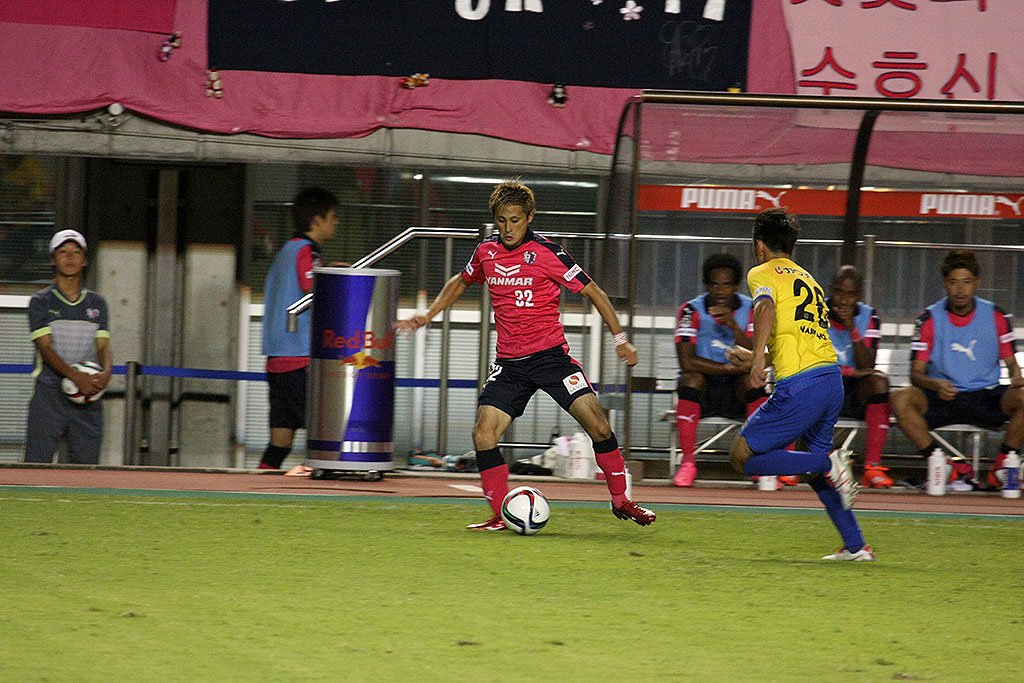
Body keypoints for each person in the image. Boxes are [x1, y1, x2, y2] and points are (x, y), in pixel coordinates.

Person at [396, 180, 655, 530]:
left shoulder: (548, 253)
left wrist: (621, 339)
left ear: (530, 217)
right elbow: (461, 280)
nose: (508, 228)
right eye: (501, 221)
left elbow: (594, 291)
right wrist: (428, 315)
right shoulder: (486, 252)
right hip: (510, 365)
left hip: (551, 358)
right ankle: (499, 516)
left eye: (515, 220)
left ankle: (621, 500)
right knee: (483, 434)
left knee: (598, 424)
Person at [727, 207, 871, 561]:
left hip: (801, 386)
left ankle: (829, 463)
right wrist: (762, 357)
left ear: (759, 245)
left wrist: (756, 359)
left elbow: (764, 309)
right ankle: (856, 546)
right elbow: (799, 339)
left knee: (741, 456)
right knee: (812, 466)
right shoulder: (809, 280)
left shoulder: (761, 272)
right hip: (830, 381)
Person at [890, 249, 1024, 491]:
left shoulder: (997, 316)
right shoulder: (929, 319)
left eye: (966, 282)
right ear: (945, 284)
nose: (960, 290)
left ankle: (1004, 465)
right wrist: (934, 384)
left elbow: (1012, 365)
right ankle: (941, 463)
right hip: (943, 397)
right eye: (954, 282)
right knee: (900, 398)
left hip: (985, 396)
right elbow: (915, 374)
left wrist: (1016, 377)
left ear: (977, 283)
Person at [672, 253, 784, 487]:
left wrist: (733, 326)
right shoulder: (690, 311)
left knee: (753, 381)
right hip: (705, 389)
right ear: (707, 285)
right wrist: (728, 368)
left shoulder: (751, 308)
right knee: (690, 379)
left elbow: (756, 353)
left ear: (736, 285)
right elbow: (686, 362)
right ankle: (688, 462)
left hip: (737, 392)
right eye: (715, 284)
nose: (721, 291)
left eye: (727, 284)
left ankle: (756, 461)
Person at [258, 187, 339, 470]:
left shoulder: (286, 250)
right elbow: (313, 289)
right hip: (299, 357)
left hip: (277, 359)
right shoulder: (307, 250)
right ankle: (320, 484)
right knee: (328, 433)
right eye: (332, 216)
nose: (336, 222)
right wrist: (339, 279)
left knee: (281, 441)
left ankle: (257, 485)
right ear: (317, 219)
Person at [24, 229, 112, 464]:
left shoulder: (97, 303)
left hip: (88, 397)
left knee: (86, 468)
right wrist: (75, 376)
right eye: (63, 252)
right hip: (49, 394)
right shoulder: (41, 301)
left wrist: (106, 373)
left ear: (84, 260)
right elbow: (45, 348)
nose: (70, 257)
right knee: (36, 465)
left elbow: (103, 345)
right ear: (53, 259)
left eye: (76, 252)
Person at [826, 265, 893, 488]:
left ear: (860, 295)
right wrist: (851, 371)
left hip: (854, 391)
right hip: (823, 385)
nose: (844, 300)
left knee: (878, 383)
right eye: (839, 292)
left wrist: (852, 329)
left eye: (851, 294)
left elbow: (868, 365)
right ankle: (797, 467)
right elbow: (807, 363)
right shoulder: (813, 313)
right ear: (830, 290)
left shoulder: (870, 317)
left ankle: (872, 467)